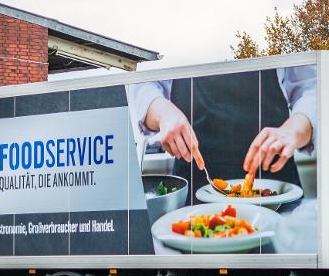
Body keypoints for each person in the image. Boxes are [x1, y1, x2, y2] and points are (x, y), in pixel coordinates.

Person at [128, 66, 316, 197]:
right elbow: (144, 82)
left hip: (276, 187)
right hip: (194, 187)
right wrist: (163, 113)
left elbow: (312, 87)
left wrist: (293, 131)